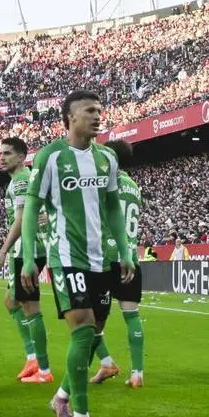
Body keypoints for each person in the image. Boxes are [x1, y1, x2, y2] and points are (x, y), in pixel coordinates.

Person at [21, 90, 134, 417]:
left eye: (100, 110)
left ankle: (61, 397)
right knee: (83, 331)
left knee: (93, 333)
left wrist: (125, 250)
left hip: (102, 259)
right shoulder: (51, 156)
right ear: (70, 117)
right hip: (67, 257)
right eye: (89, 111)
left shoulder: (107, 158)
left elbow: (113, 207)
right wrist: (29, 256)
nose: (98, 116)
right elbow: (31, 207)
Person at [0, 137, 54, 384]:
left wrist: (3, 250)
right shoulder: (20, 179)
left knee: (29, 307)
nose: (2, 157)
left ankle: (43, 369)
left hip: (28, 249)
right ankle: (32, 358)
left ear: (21, 157)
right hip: (28, 248)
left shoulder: (21, 180)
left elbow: (21, 219)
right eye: (1, 153)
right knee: (11, 301)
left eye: (7, 153)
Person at [87, 138, 146, 389]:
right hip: (130, 256)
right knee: (131, 315)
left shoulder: (104, 183)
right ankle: (137, 374)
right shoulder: (134, 186)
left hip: (105, 257)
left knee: (87, 319)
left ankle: (106, 362)